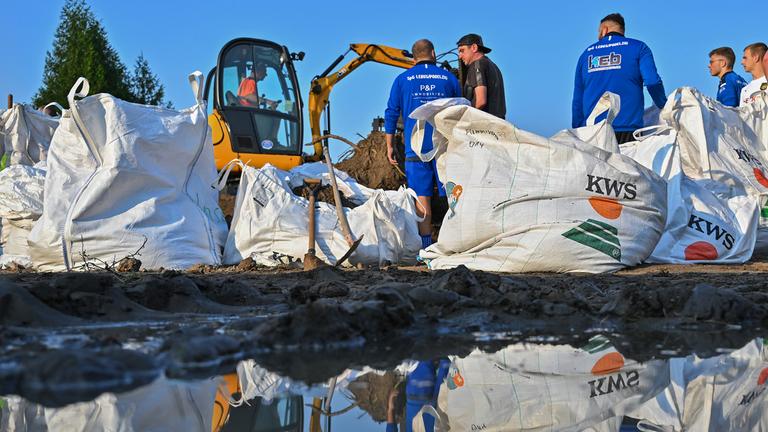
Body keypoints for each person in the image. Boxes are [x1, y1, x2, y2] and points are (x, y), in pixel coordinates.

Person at [384, 39, 461, 250]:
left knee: (422, 197)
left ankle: (426, 247)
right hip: (445, 148)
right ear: (434, 53)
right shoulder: (449, 78)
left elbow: (391, 113)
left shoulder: (402, 79)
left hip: (415, 148)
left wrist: (389, 145)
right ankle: (454, 243)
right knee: (452, 196)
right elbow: (461, 111)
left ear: (413, 56)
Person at [572, 13, 667, 144]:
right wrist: (663, 106)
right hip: (628, 130)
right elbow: (652, 82)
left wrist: (578, 133)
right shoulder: (639, 48)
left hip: (592, 133)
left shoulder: (585, 54)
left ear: (604, 29)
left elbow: (577, 100)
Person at [456, 33, 506, 119]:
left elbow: (480, 101)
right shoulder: (493, 66)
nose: (460, 56)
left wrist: (463, 118)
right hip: (499, 124)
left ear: (474, 48)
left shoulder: (477, 65)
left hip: (483, 126)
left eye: (462, 50)